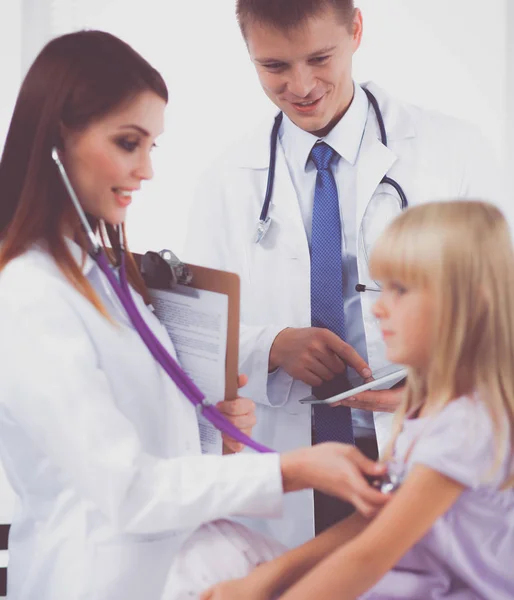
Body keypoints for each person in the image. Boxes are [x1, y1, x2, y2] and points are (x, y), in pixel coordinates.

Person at [0, 30, 390, 600]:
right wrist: (295, 469)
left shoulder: (106, 280)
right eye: (128, 142)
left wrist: (212, 433)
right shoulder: (29, 295)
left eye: (151, 147)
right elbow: (126, 488)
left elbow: (152, 448)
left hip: (170, 569)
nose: (146, 171)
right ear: (59, 139)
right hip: (90, 578)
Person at [184, 0, 508, 546]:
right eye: (275, 67)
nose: (301, 84)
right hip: (292, 455)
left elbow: (503, 305)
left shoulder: (452, 150)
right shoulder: (226, 178)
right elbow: (195, 335)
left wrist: (444, 388)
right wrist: (271, 346)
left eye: (319, 57)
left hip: (426, 441)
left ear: (355, 30)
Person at [201, 199, 514, 600]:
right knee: (212, 554)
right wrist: (260, 583)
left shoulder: (465, 427)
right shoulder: (431, 412)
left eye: (400, 290)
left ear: (472, 303)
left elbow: (370, 554)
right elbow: (368, 521)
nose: (379, 308)